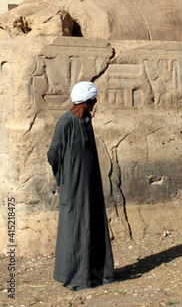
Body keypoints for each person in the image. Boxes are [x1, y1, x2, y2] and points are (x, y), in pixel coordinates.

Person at [47, 81, 114, 291]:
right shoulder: (65, 122)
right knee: (74, 229)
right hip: (72, 186)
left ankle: (95, 274)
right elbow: (52, 155)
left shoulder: (86, 120)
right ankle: (74, 277)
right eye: (93, 100)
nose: (95, 103)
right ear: (85, 101)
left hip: (90, 184)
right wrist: (63, 179)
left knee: (92, 224)